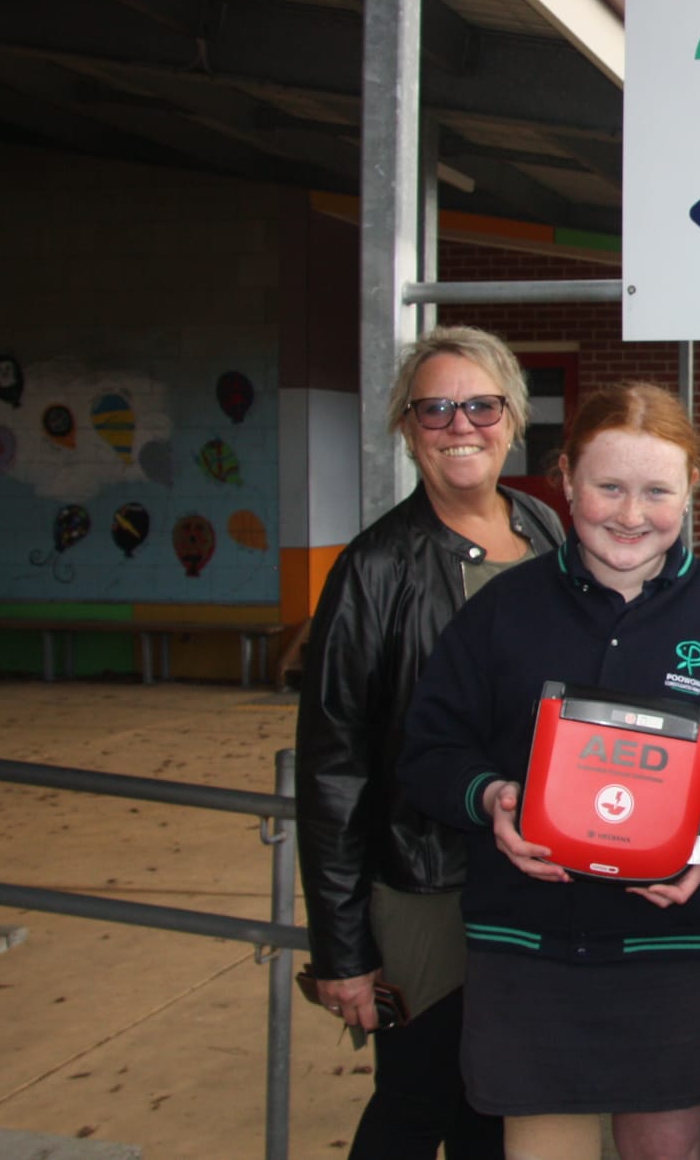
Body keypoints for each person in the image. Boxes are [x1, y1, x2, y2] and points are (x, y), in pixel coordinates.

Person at [397, 381, 700, 1160]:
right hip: (532, 953)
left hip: (677, 956)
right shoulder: (502, 613)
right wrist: (492, 797)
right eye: (608, 486)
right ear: (565, 479)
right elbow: (429, 748)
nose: (632, 515)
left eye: (657, 491)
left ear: (690, 492)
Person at [296, 325, 562, 1160]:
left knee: (498, 1098)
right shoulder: (375, 569)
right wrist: (342, 951)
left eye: (480, 405)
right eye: (436, 408)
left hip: (537, 872)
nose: (461, 426)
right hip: (426, 884)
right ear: (408, 429)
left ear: (512, 418)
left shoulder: (548, 529)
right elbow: (333, 768)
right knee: (419, 1098)